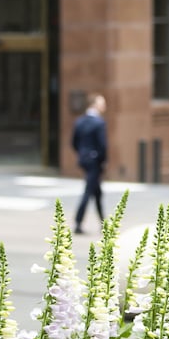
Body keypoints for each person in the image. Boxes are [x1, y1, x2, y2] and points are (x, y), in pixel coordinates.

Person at [72, 93, 107, 235]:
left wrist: (82, 154)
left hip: (84, 159)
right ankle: (78, 222)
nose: (104, 106)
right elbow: (103, 145)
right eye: (102, 103)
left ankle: (103, 223)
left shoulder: (80, 121)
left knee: (97, 192)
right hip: (95, 161)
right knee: (88, 191)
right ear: (95, 105)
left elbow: (74, 142)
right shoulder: (99, 122)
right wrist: (103, 161)